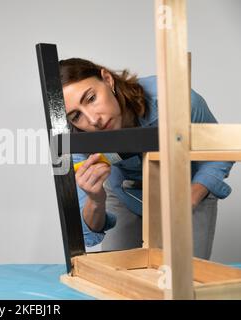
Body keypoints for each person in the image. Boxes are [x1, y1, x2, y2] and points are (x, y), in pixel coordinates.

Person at [60, 58, 234, 259]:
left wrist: (193, 196)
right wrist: (95, 199)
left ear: (107, 79)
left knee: (187, 279)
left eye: (91, 98)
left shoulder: (174, 98)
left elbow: (219, 149)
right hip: (125, 195)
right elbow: (91, 229)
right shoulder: (77, 140)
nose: (93, 120)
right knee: (119, 281)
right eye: (75, 116)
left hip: (188, 188)